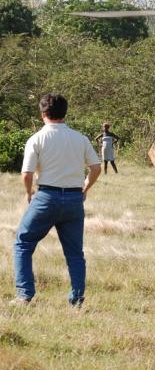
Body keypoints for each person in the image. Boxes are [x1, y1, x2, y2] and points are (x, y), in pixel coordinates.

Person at [11, 94, 101, 306]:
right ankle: (77, 299)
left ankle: (24, 295)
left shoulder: (36, 139)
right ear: (65, 113)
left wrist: (28, 193)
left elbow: (27, 173)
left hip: (46, 196)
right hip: (73, 199)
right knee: (75, 253)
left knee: (23, 243)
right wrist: (85, 189)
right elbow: (96, 168)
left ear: (42, 113)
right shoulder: (80, 138)